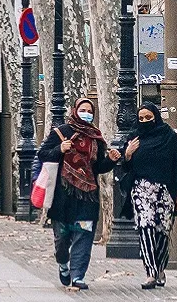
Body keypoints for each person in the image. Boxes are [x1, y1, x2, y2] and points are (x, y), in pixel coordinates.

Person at [36, 97, 120, 290]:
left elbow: (98, 167)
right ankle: (63, 265)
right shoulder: (61, 132)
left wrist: (111, 160)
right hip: (62, 197)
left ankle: (78, 276)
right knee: (62, 239)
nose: (87, 114)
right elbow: (43, 154)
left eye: (90, 111)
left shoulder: (96, 138)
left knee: (83, 236)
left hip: (87, 198)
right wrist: (60, 148)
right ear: (75, 110)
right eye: (83, 109)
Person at [120, 102, 177, 289]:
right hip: (141, 189)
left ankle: (160, 268)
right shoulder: (134, 137)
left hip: (166, 191)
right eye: (141, 118)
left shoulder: (169, 137)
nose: (145, 121)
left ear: (156, 117)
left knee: (162, 231)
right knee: (146, 227)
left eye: (149, 117)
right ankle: (150, 272)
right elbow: (126, 167)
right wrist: (128, 154)